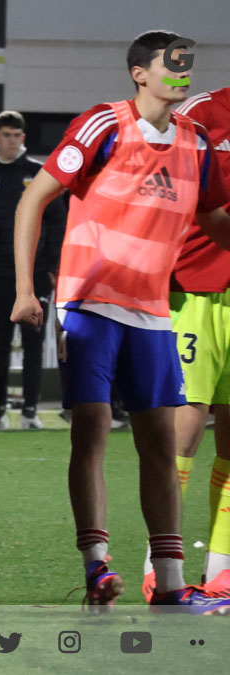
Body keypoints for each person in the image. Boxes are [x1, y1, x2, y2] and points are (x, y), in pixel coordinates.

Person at [12, 30, 230, 614]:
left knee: (160, 445)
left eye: (189, 64)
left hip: (154, 312)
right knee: (92, 431)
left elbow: (214, 218)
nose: (182, 73)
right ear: (140, 72)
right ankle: (96, 566)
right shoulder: (102, 125)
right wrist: (24, 289)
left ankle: (171, 582)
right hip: (89, 302)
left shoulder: (198, 141)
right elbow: (33, 199)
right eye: (172, 64)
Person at [146, 86, 230, 596]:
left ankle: (222, 569)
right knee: (184, 431)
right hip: (194, 288)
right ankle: (162, 568)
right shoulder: (201, 113)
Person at [0, 110, 67, 430]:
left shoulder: (40, 175)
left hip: (36, 273)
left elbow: (58, 221)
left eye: (17, 135)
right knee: (0, 340)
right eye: (6, 135)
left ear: (23, 138)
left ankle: (30, 411)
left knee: (33, 340)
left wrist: (52, 266)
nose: (12, 141)